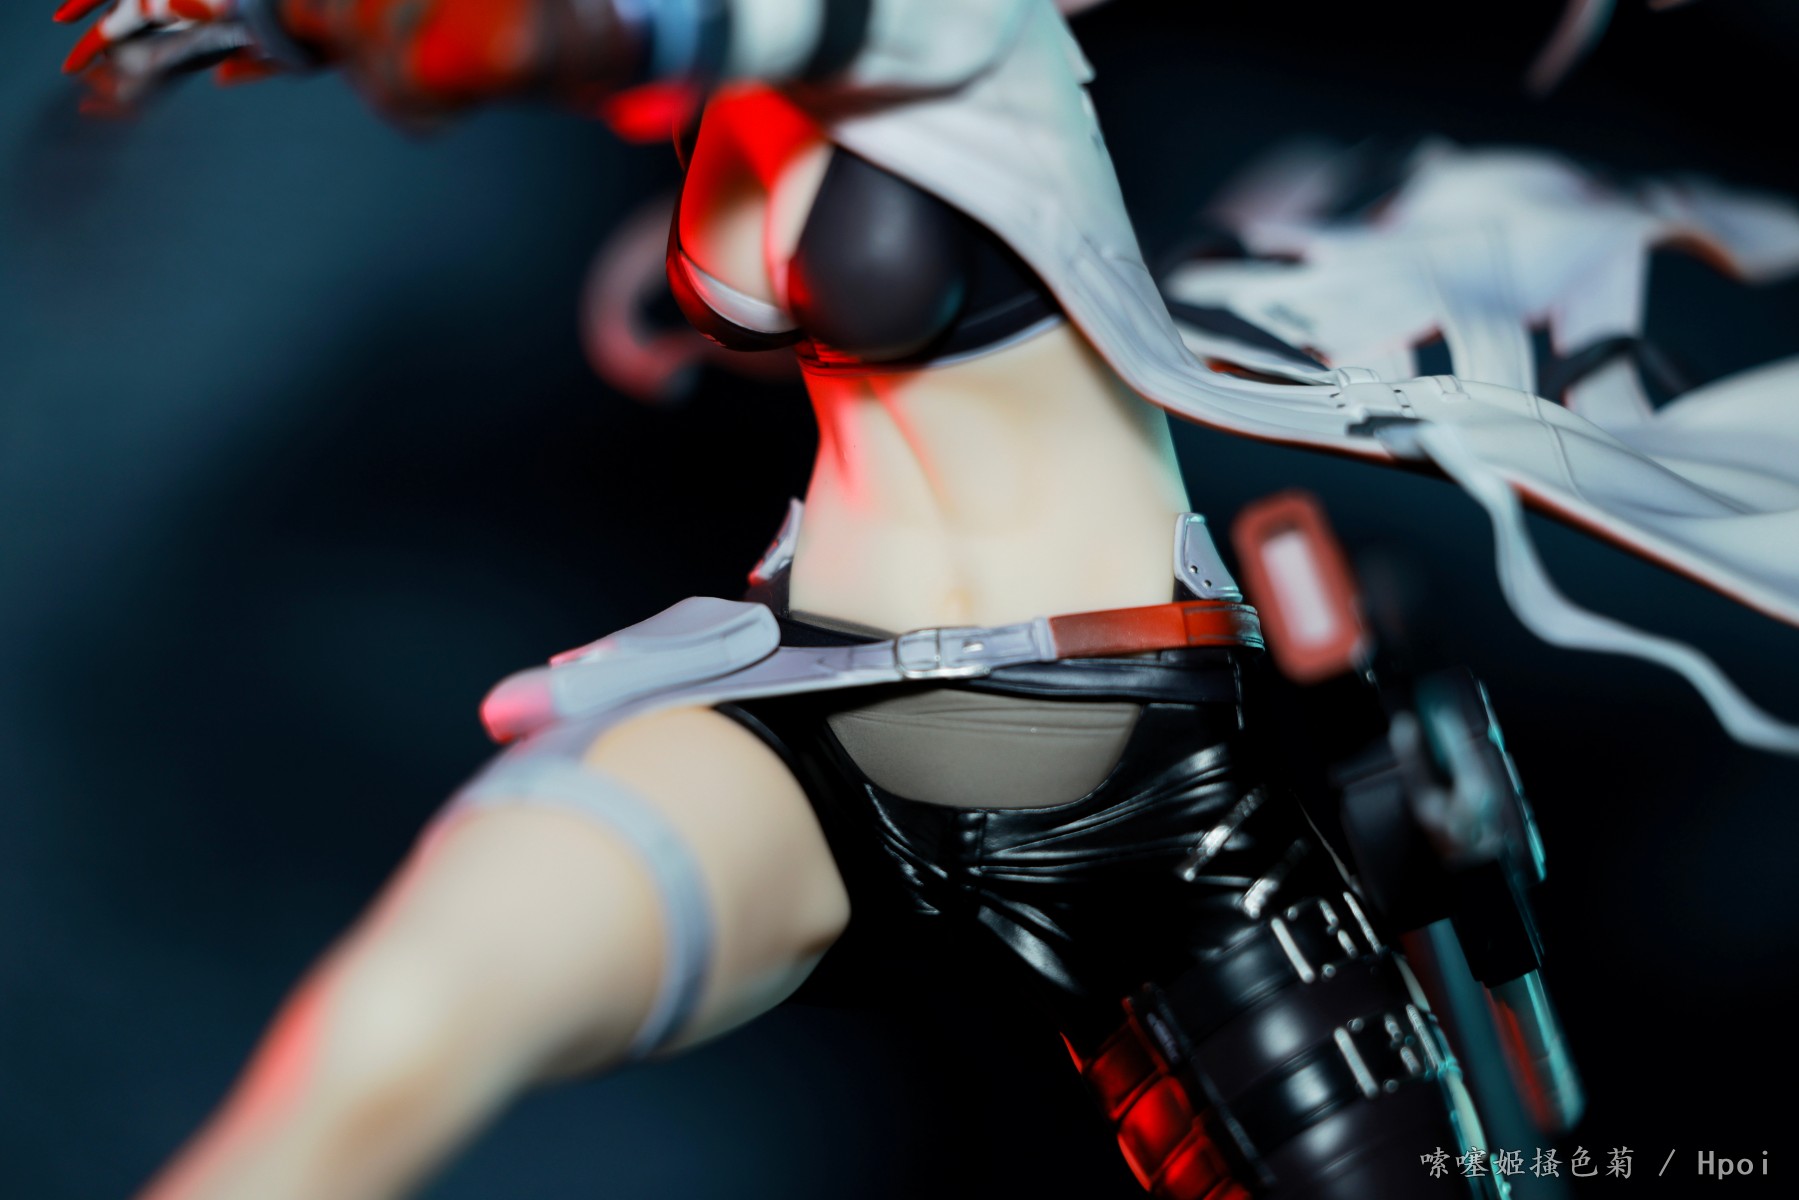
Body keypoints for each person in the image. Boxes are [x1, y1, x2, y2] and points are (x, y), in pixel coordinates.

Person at [50, 2, 1799, 1198]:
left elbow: (552, 30)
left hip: (1134, 780)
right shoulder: (727, 116)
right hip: (809, 712)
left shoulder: (957, 31)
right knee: (408, 1018)